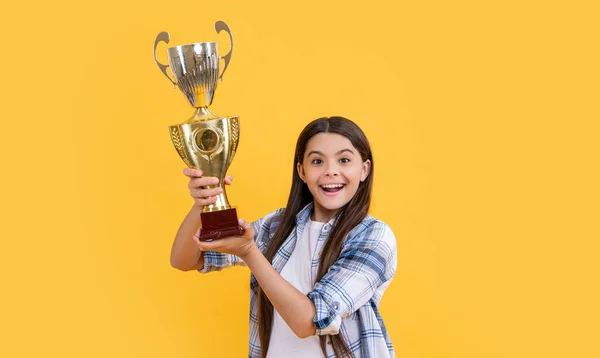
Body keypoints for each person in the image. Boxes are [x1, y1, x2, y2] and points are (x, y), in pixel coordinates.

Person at [170, 116, 398, 358]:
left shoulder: (373, 236)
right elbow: (185, 260)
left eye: (344, 160)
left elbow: (308, 321)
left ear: (364, 169)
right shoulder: (278, 226)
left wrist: (249, 252)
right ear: (302, 171)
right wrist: (202, 203)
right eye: (317, 161)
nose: (331, 171)